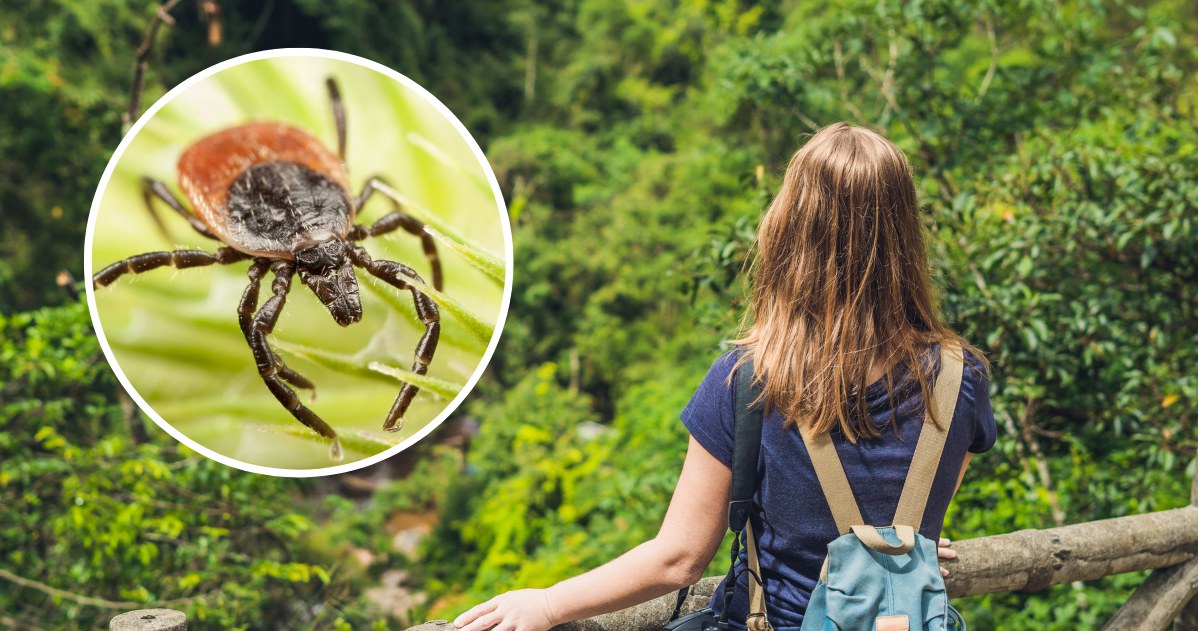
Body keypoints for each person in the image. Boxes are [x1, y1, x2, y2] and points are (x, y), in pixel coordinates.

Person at [453, 123, 997, 631]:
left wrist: (546, 603)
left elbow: (681, 559)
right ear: (906, 234)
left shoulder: (753, 379)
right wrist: (904, 548)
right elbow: (921, 499)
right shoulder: (960, 376)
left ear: (791, 228)